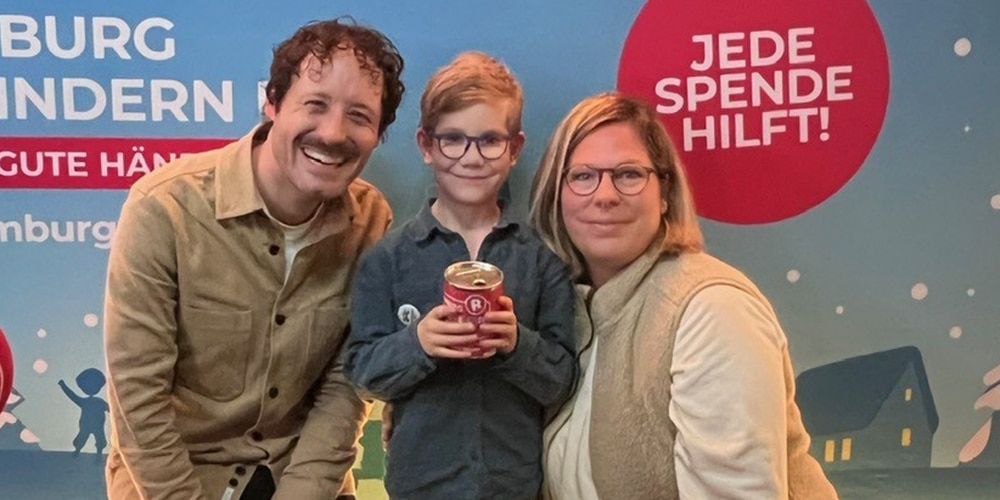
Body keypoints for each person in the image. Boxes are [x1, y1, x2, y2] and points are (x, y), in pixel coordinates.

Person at [102, 18, 404, 500]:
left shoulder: (371, 221)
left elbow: (344, 389)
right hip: (177, 479)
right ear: (273, 103)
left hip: (300, 475)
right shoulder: (165, 208)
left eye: (359, 116)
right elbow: (138, 399)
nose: (332, 132)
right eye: (315, 104)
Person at [530, 92, 838, 499]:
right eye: (582, 176)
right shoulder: (562, 312)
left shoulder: (712, 309)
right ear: (556, 194)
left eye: (628, 174)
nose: (604, 195)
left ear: (664, 192)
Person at [344, 51, 575, 500]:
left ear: (515, 149)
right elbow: (361, 372)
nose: (471, 158)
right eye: (453, 139)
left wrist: (517, 345)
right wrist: (418, 343)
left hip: (517, 487)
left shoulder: (541, 259)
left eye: (490, 140)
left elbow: (563, 379)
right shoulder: (387, 259)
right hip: (420, 488)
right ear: (426, 145)